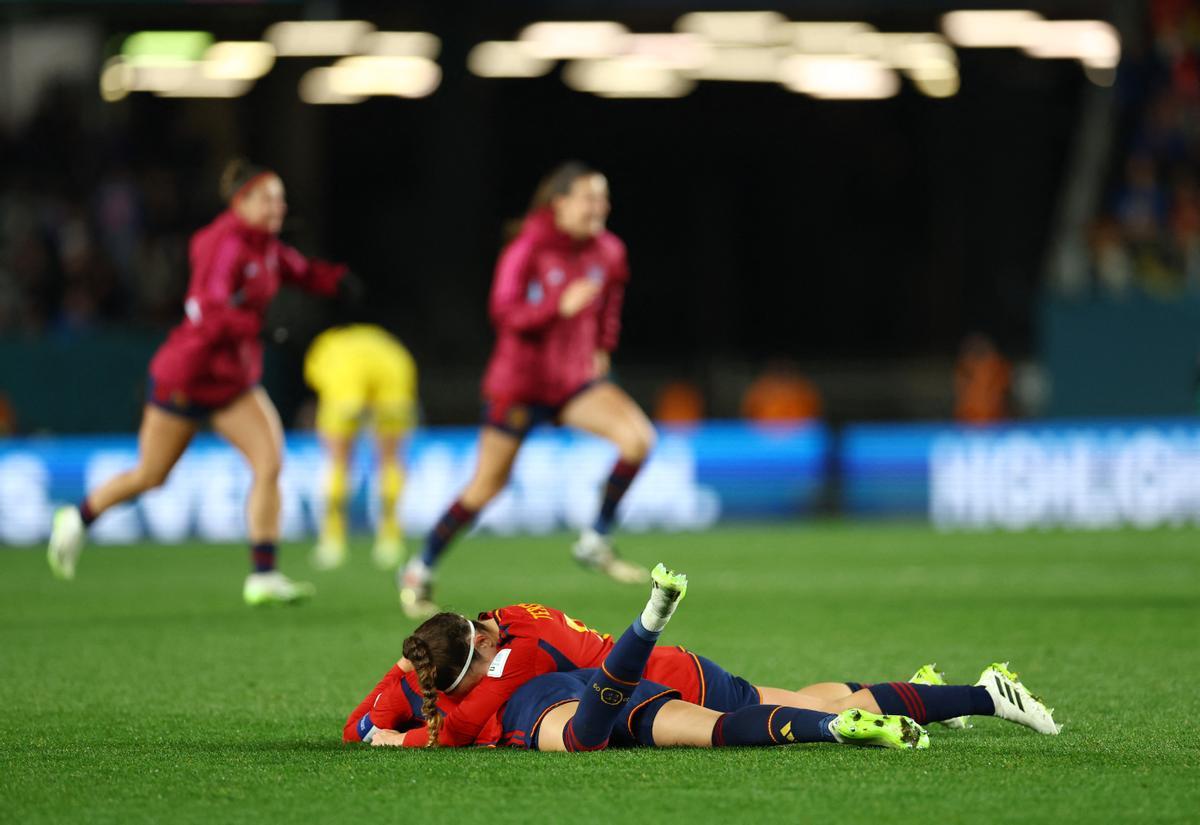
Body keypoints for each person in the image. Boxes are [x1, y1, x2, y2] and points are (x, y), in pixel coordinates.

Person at [47, 159, 358, 606]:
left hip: (232, 381)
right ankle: (76, 517)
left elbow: (298, 270)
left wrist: (335, 281)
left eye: (281, 198)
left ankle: (264, 575)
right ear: (242, 201)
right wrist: (257, 328)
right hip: (189, 376)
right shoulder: (222, 244)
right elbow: (208, 311)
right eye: (269, 197)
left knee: (269, 462)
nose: (279, 206)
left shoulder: (264, 245)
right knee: (152, 475)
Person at [399, 161, 656, 618]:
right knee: (484, 488)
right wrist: (558, 306)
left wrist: (602, 345)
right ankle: (420, 568)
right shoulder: (529, 247)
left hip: (574, 383)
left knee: (638, 440)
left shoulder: (608, 250)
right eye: (589, 198)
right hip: (520, 386)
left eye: (603, 198)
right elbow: (505, 314)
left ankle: (595, 540)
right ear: (559, 203)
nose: (600, 207)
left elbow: (611, 301)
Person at [345, 590, 1059, 750]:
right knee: (808, 694)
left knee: (764, 712)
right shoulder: (509, 618)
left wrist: (390, 731)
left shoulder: (504, 670)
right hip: (668, 667)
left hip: (654, 673)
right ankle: (942, 691)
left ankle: (971, 692)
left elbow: (456, 723)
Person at [303, 324, 417, 571]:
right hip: (392, 363)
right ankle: (390, 541)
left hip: (346, 368)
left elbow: (322, 387)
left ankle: (332, 542)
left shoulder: (323, 352)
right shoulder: (387, 345)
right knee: (390, 460)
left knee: (338, 461)